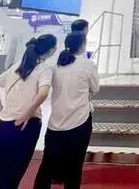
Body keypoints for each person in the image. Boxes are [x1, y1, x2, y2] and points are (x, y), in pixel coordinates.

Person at [0, 35, 57, 189]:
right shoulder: (45, 69)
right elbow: (43, 93)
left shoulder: (17, 66)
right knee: (13, 171)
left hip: (3, 123)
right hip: (26, 125)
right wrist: (27, 114)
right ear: (51, 50)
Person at [35, 32, 100, 189]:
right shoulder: (88, 64)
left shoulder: (55, 65)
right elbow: (95, 88)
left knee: (46, 167)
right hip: (79, 123)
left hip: (55, 124)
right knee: (74, 168)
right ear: (83, 45)